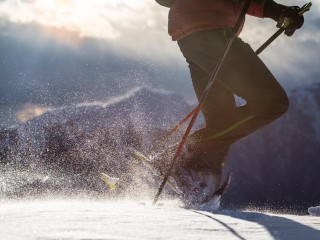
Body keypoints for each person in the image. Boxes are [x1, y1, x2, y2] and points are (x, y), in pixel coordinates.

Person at [155, 0, 304, 202]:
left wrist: (280, 12)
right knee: (272, 101)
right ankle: (184, 155)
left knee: (223, 120)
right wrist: (279, 11)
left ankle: (199, 180)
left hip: (190, 35)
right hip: (213, 32)